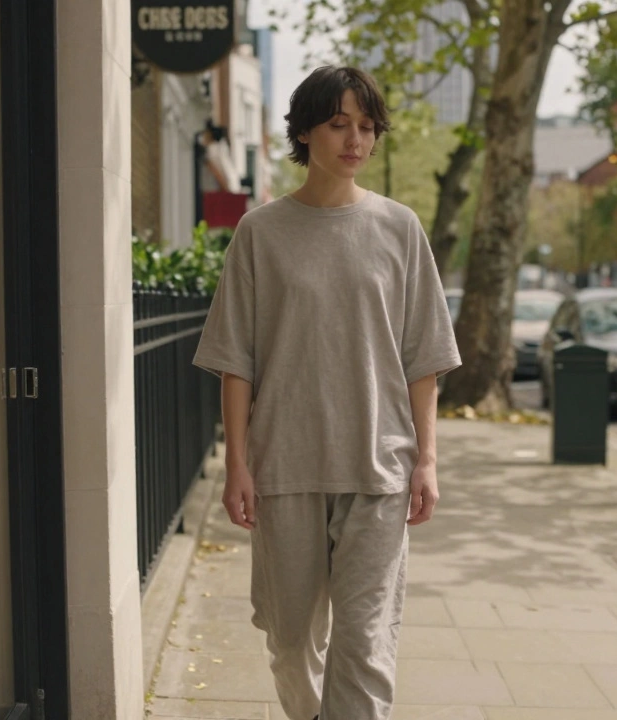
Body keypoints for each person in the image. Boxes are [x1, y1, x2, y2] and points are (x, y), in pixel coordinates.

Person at [192, 66, 461, 720]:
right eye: (339, 123)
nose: (355, 141)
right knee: (289, 640)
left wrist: (426, 459)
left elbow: (423, 358)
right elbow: (237, 361)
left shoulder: (400, 230)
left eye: (367, 127)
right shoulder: (261, 233)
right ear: (305, 129)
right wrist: (238, 462)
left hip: (380, 465)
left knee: (365, 643)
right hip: (286, 465)